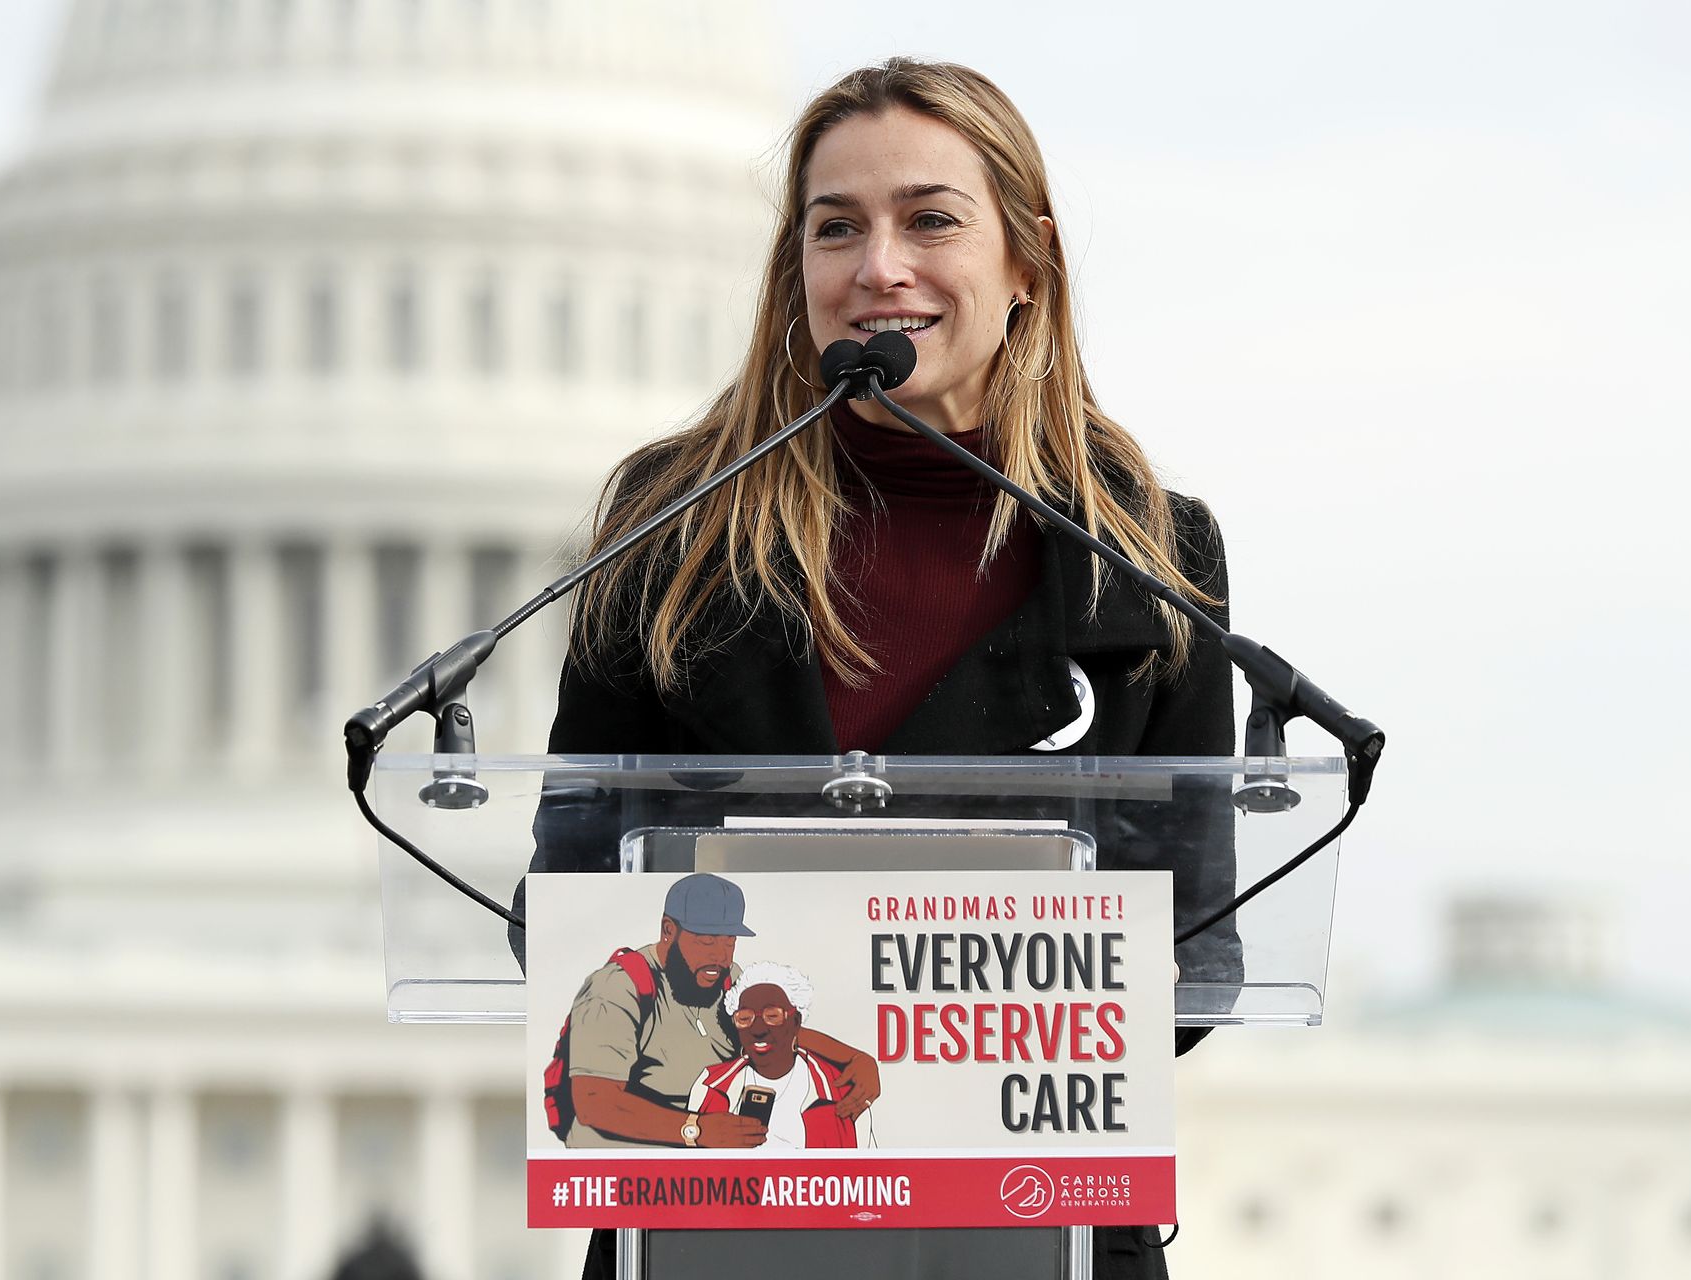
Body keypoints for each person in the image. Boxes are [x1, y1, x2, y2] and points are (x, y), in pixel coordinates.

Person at [516, 56, 1238, 1280]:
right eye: (835, 228)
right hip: (716, 1225)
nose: (878, 268)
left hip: (1031, 1225)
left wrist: (949, 1046)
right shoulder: (668, 530)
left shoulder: (1151, 553)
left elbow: (1201, 943)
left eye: (930, 219)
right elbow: (565, 902)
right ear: (793, 272)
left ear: (1028, 263)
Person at [561, 873, 877, 1150]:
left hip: (706, 1164)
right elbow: (594, 1102)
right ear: (668, 930)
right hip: (621, 1175)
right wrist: (696, 1129)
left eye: (729, 942)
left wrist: (857, 1059)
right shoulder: (616, 988)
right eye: (707, 941)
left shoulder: (727, 977)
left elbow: (774, 1028)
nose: (721, 957)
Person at [685, 962, 874, 1149]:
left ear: (796, 1021)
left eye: (772, 1016)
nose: (758, 1029)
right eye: (744, 1018)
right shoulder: (710, 1085)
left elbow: (870, 1172)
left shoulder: (844, 1094)